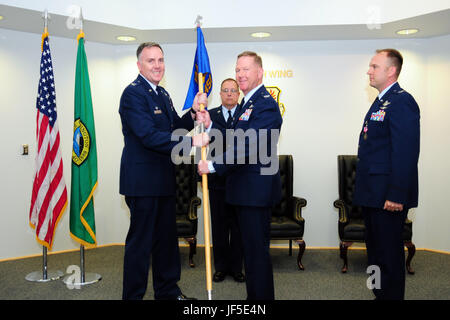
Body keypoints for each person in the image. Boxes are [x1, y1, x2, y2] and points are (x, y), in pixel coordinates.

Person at [119, 42, 208, 300]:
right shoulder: (133, 94)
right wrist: (192, 142)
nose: (157, 65)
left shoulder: (162, 94)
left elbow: (173, 129)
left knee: (166, 243)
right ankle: (132, 296)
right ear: (139, 65)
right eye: (151, 61)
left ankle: (168, 292)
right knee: (140, 245)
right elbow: (149, 136)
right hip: (142, 182)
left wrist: (192, 114)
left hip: (164, 180)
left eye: (160, 60)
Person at [198, 51, 283, 300]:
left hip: (255, 193)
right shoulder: (248, 103)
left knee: (256, 255)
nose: (240, 74)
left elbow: (249, 145)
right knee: (253, 254)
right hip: (245, 192)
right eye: (237, 70)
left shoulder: (265, 103)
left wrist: (213, 166)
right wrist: (212, 126)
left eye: (246, 69)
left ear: (260, 73)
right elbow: (236, 137)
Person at [353, 48, 420, 300]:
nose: (368, 71)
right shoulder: (381, 100)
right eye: (370, 66)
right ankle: (378, 294)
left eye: (374, 67)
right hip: (372, 194)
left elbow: (406, 152)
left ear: (391, 71)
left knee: (389, 256)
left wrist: (396, 194)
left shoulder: (402, 101)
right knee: (375, 254)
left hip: (388, 197)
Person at [207, 78, 245, 283]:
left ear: (238, 94)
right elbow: (203, 145)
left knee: (238, 227)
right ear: (220, 94)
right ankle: (221, 267)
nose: (229, 94)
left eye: (233, 90)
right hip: (217, 181)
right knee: (219, 226)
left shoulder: (246, 114)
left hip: (240, 181)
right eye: (225, 90)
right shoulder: (209, 115)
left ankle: (237, 267)